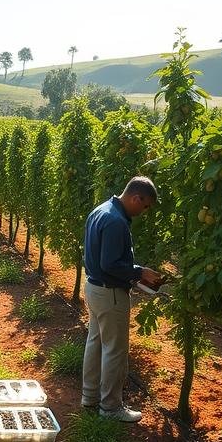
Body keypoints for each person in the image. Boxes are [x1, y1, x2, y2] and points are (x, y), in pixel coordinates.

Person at [81, 176, 161, 422]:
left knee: (95, 343)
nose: (143, 212)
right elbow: (111, 264)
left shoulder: (100, 210)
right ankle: (110, 407)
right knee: (114, 350)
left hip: (94, 287)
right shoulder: (116, 221)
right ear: (136, 198)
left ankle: (90, 396)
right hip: (111, 294)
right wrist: (139, 272)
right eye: (144, 206)